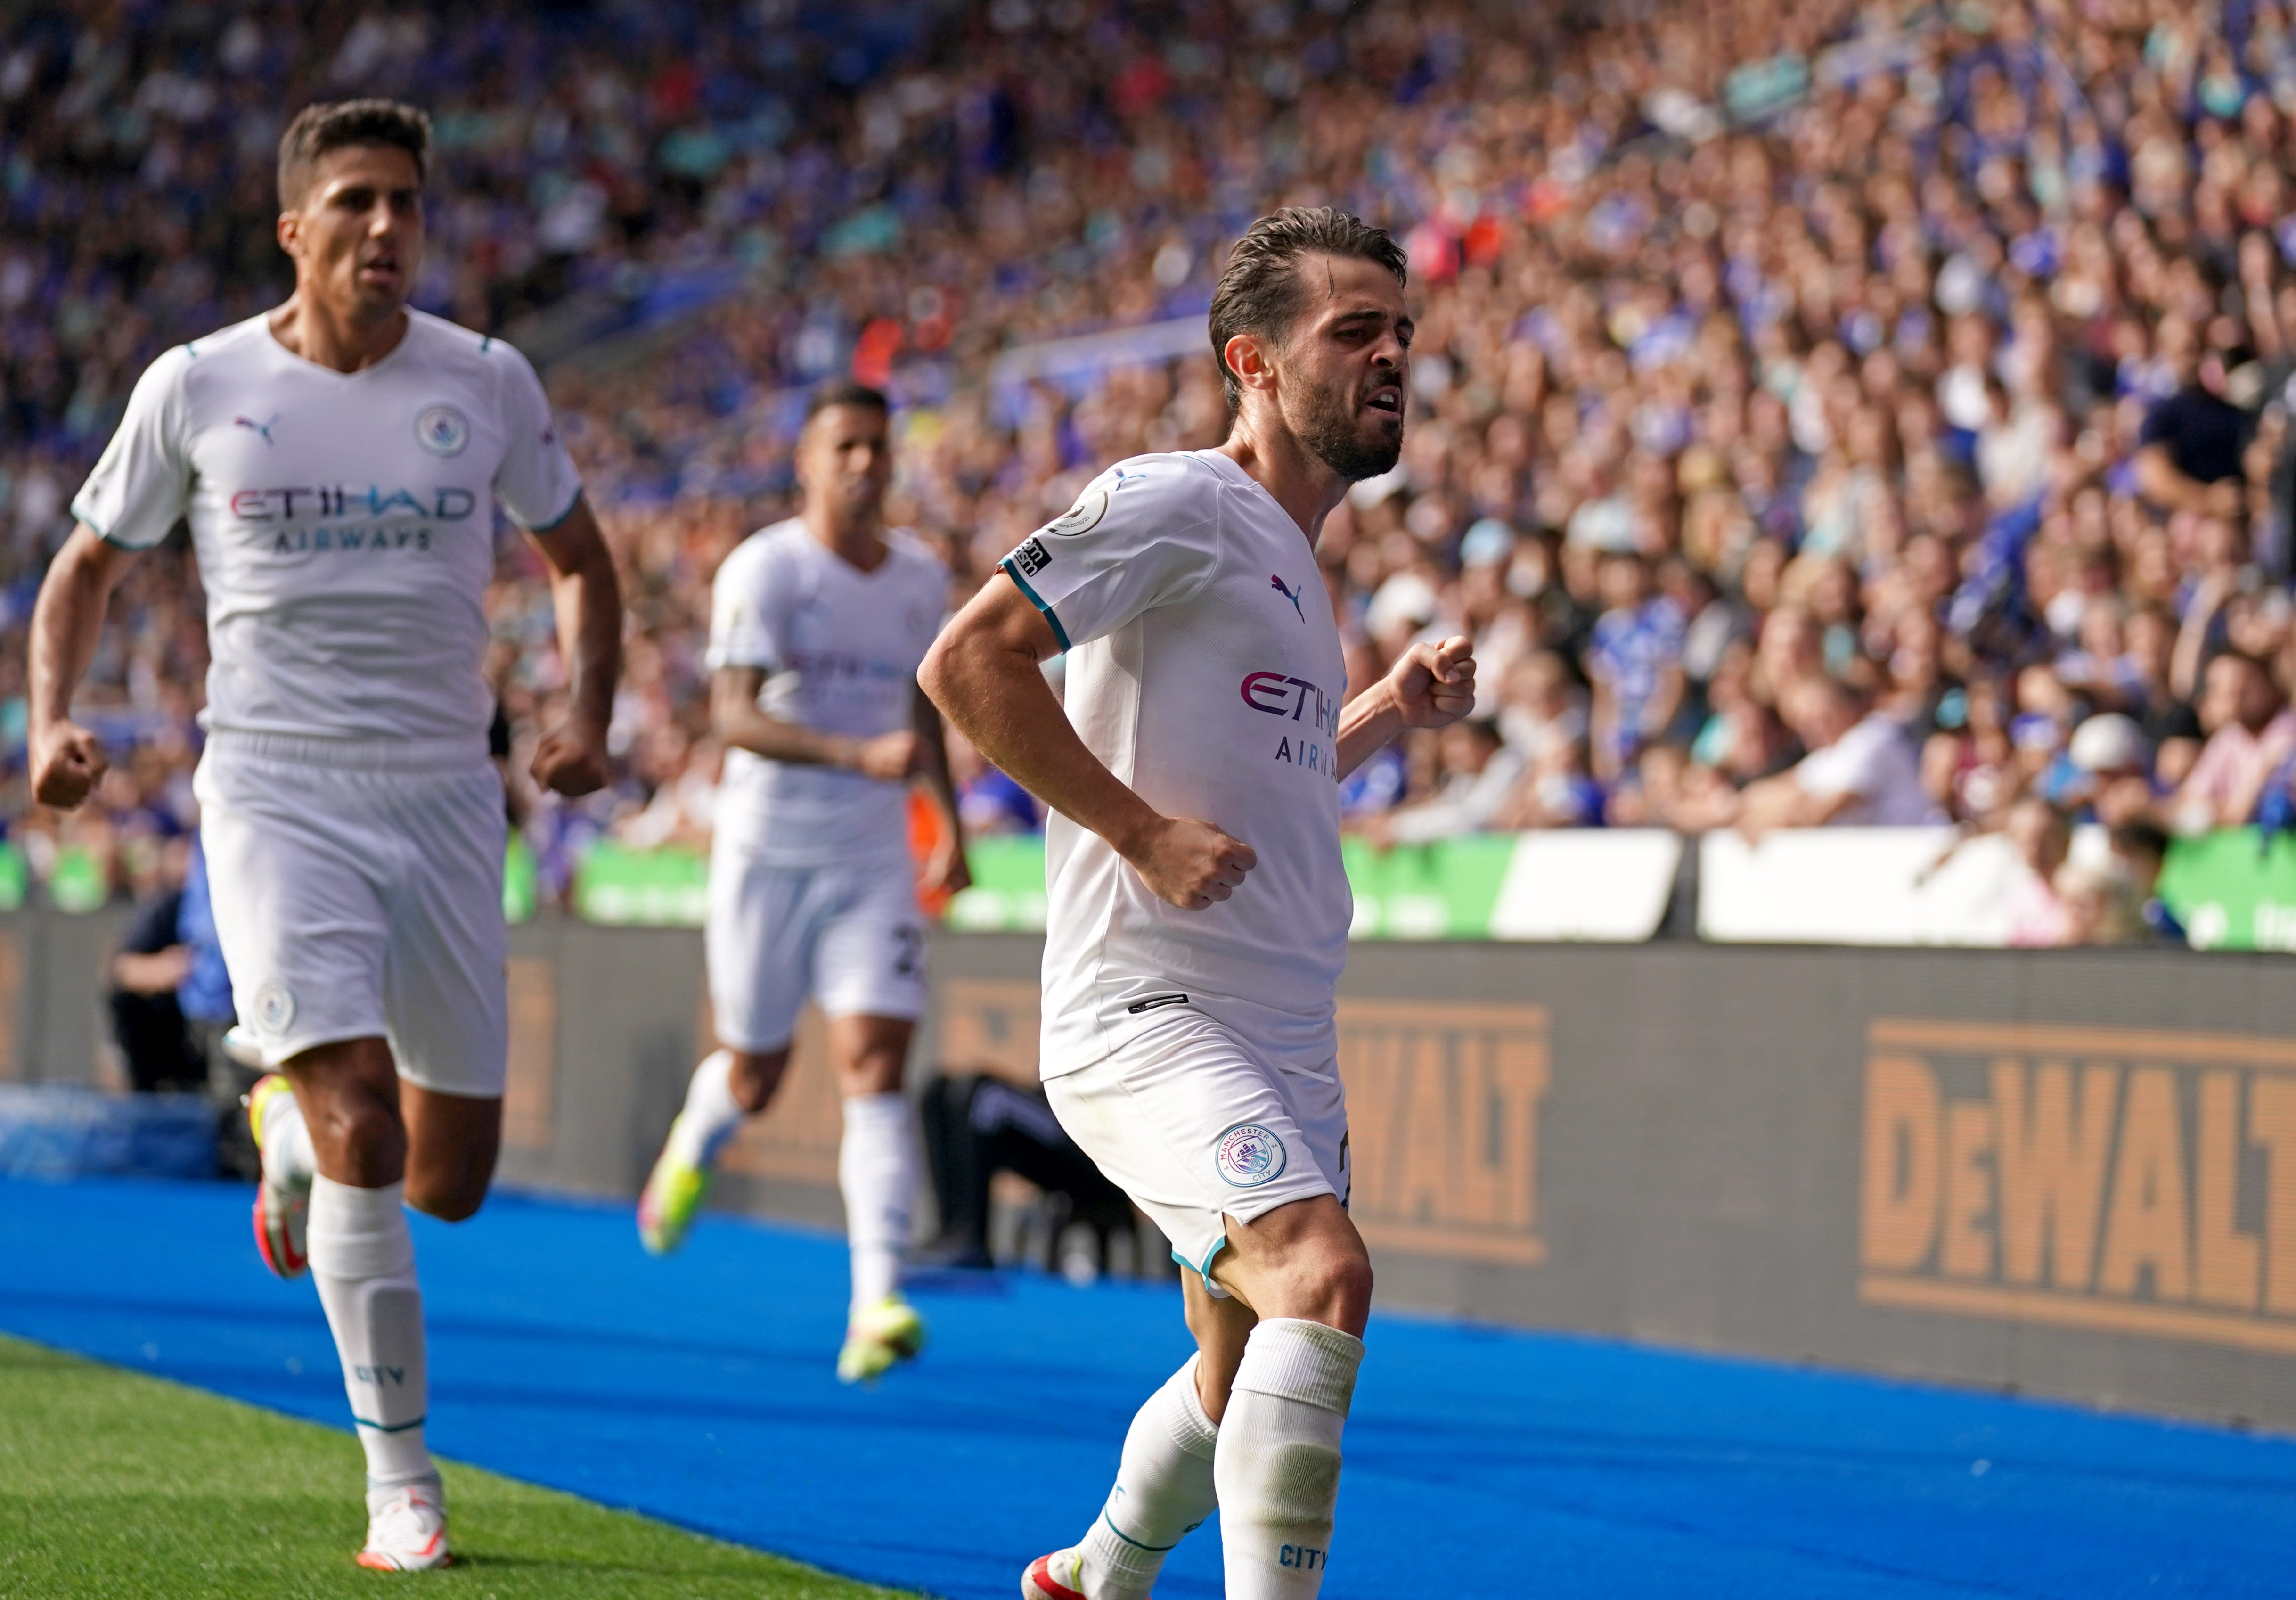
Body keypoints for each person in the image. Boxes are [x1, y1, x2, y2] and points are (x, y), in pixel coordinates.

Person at [28, 100, 621, 1571]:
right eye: (355, 200)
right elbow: (84, 565)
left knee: (447, 1172)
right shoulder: (199, 382)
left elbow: (584, 560)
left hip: (442, 792)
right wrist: (52, 721)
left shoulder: (484, 380)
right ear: (295, 230)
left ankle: (282, 1134)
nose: (385, 227)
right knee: (364, 1107)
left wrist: (585, 714)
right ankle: (401, 1482)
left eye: (407, 202)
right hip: (276, 782)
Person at [922, 207, 1477, 1600]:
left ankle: (1097, 1573)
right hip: (1150, 1005)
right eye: (1355, 331)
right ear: (1254, 359)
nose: (1392, 356)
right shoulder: (1178, 498)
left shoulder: (1291, 558)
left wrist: (1380, 714)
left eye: (1401, 332)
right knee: (1321, 1278)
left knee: (1236, 1374)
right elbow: (967, 660)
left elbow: (1265, 779)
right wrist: (1136, 831)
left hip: (1282, 1021)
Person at [635, 379, 969, 1384]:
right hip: (766, 852)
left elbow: (922, 718)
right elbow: (733, 717)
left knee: (875, 1063)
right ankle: (700, 1131)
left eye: (878, 448)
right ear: (808, 465)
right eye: (846, 450)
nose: (866, 465)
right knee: (758, 1072)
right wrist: (847, 754)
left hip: (872, 855)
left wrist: (947, 827)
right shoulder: (766, 570)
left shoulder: (918, 578)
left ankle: (876, 1300)